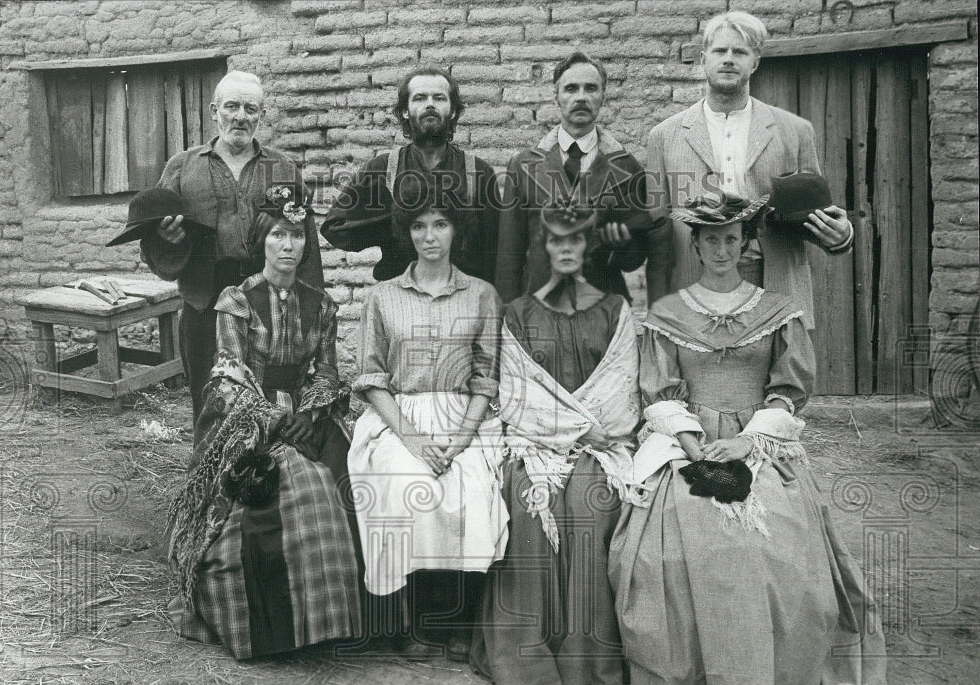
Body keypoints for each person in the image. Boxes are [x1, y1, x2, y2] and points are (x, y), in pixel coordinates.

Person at [608, 193, 903, 685]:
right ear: (695, 246)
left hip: (759, 441)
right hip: (688, 442)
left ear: (746, 245)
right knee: (687, 538)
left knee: (770, 541)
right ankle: (696, 678)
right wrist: (701, 455)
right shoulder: (667, 313)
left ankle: (773, 674)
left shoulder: (776, 309)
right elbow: (662, 392)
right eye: (710, 240)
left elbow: (790, 389)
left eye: (731, 239)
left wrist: (747, 442)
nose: (722, 249)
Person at [167, 184, 361, 660]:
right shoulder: (235, 299)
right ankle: (270, 623)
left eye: (297, 235)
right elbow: (230, 371)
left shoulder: (324, 303)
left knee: (347, 474)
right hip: (247, 412)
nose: (288, 246)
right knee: (285, 486)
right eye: (277, 234)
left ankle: (335, 618)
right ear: (261, 241)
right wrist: (275, 418)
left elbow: (327, 372)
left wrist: (312, 412)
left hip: (307, 411)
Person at [471, 203, 640, 685]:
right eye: (555, 241)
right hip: (535, 443)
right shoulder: (518, 313)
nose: (565, 249)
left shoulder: (615, 310)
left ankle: (588, 667)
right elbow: (519, 397)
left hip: (602, 443)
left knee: (590, 500)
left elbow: (619, 390)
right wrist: (570, 433)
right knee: (530, 501)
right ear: (543, 247)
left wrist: (588, 434)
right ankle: (528, 663)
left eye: (576, 240)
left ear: (588, 246)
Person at [347, 180, 507, 661]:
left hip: (464, 417)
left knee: (471, 491)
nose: (429, 235)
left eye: (440, 224)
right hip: (399, 416)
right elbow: (371, 377)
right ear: (406, 232)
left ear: (457, 230)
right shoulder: (382, 296)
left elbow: (486, 377)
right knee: (402, 486)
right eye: (418, 226)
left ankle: (457, 619)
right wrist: (414, 439)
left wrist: (459, 441)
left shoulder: (481, 295)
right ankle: (413, 621)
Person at [643, 11, 852, 326]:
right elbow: (657, 234)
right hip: (693, 288)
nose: (728, 59)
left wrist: (840, 236)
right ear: (703, 59)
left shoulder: (794, 131)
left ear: (755, 62)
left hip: (773, 284)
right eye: (720, 51)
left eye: (739, 52)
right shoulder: (664, 136)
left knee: (777, 376)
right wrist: (658, 316)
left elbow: (812, 216)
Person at [141, 70, 324, 421]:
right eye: (232, 106)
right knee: (209, 399)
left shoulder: (282, 167)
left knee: (267, 396)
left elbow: (306, 242)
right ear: (214, 112)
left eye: (251, 109)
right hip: (204, 301)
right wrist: (170, 239)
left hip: (269, 301)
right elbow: (153, 239)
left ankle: (263, 472)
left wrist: (308, 309)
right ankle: (210, 471)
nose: (241, 116)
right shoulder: (182, 167)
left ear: (262, 116)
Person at [495, 51, 661, 304]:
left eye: (591, 88)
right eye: (571, 88)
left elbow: (634, 259)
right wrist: (508, 315)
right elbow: (509, 253)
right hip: (539, 306)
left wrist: (621, 244)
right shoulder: (524, 166)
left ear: (603, 96)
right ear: (556, 97)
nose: (581, 97)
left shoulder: (626, 168)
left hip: (600, 308)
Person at [321, 66, 500, 284]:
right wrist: (398, 222)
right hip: (400, 302)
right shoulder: (383, 169)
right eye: (420, 98)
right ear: (405, 110)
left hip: (462, 302)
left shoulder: (479, 172)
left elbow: (496, 250)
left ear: (453, 110)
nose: (430, 105)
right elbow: (335, 227)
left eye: (439, 98)